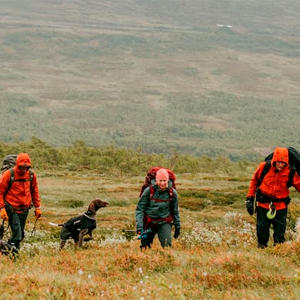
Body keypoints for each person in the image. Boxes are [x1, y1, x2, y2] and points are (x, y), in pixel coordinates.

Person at [246, 147, 300, 248]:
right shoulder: (264, 167)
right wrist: (250, 198)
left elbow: (298, 185)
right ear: (274, 160)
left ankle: (278, 251)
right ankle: (262, 250)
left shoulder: (291, 171)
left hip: (281, 206)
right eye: (278, 162)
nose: (280, 165)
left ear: (286, 162)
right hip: (263, 204)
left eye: (283, 162)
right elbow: (254, 181)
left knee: (279, 233)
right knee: (262, 230)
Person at [0, 153, 42, 250]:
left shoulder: (31, 175)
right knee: (17, 234)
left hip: (24, 210)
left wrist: (38, 207)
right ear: (17, 164)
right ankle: (14, 255)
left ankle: (7, 250)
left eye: (26, 167)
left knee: (21, 235)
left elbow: (34, 191)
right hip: (12, 209)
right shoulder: (8, 175)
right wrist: (2, 208)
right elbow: (0, 192)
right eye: (22, 167)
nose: (24, 169)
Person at [135, 168, 181, 248]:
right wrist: (140, 226)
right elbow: (140, 209)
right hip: (149, 223)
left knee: (167, 245)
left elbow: (175, 211)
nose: (162, 183)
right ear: (156, 180)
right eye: (160, 181)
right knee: (145, 246)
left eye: (164, 181)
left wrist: (177, 226)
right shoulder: (149, 191)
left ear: (167, 180)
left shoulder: (172, 193)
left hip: (164, 222)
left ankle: (167, 259)